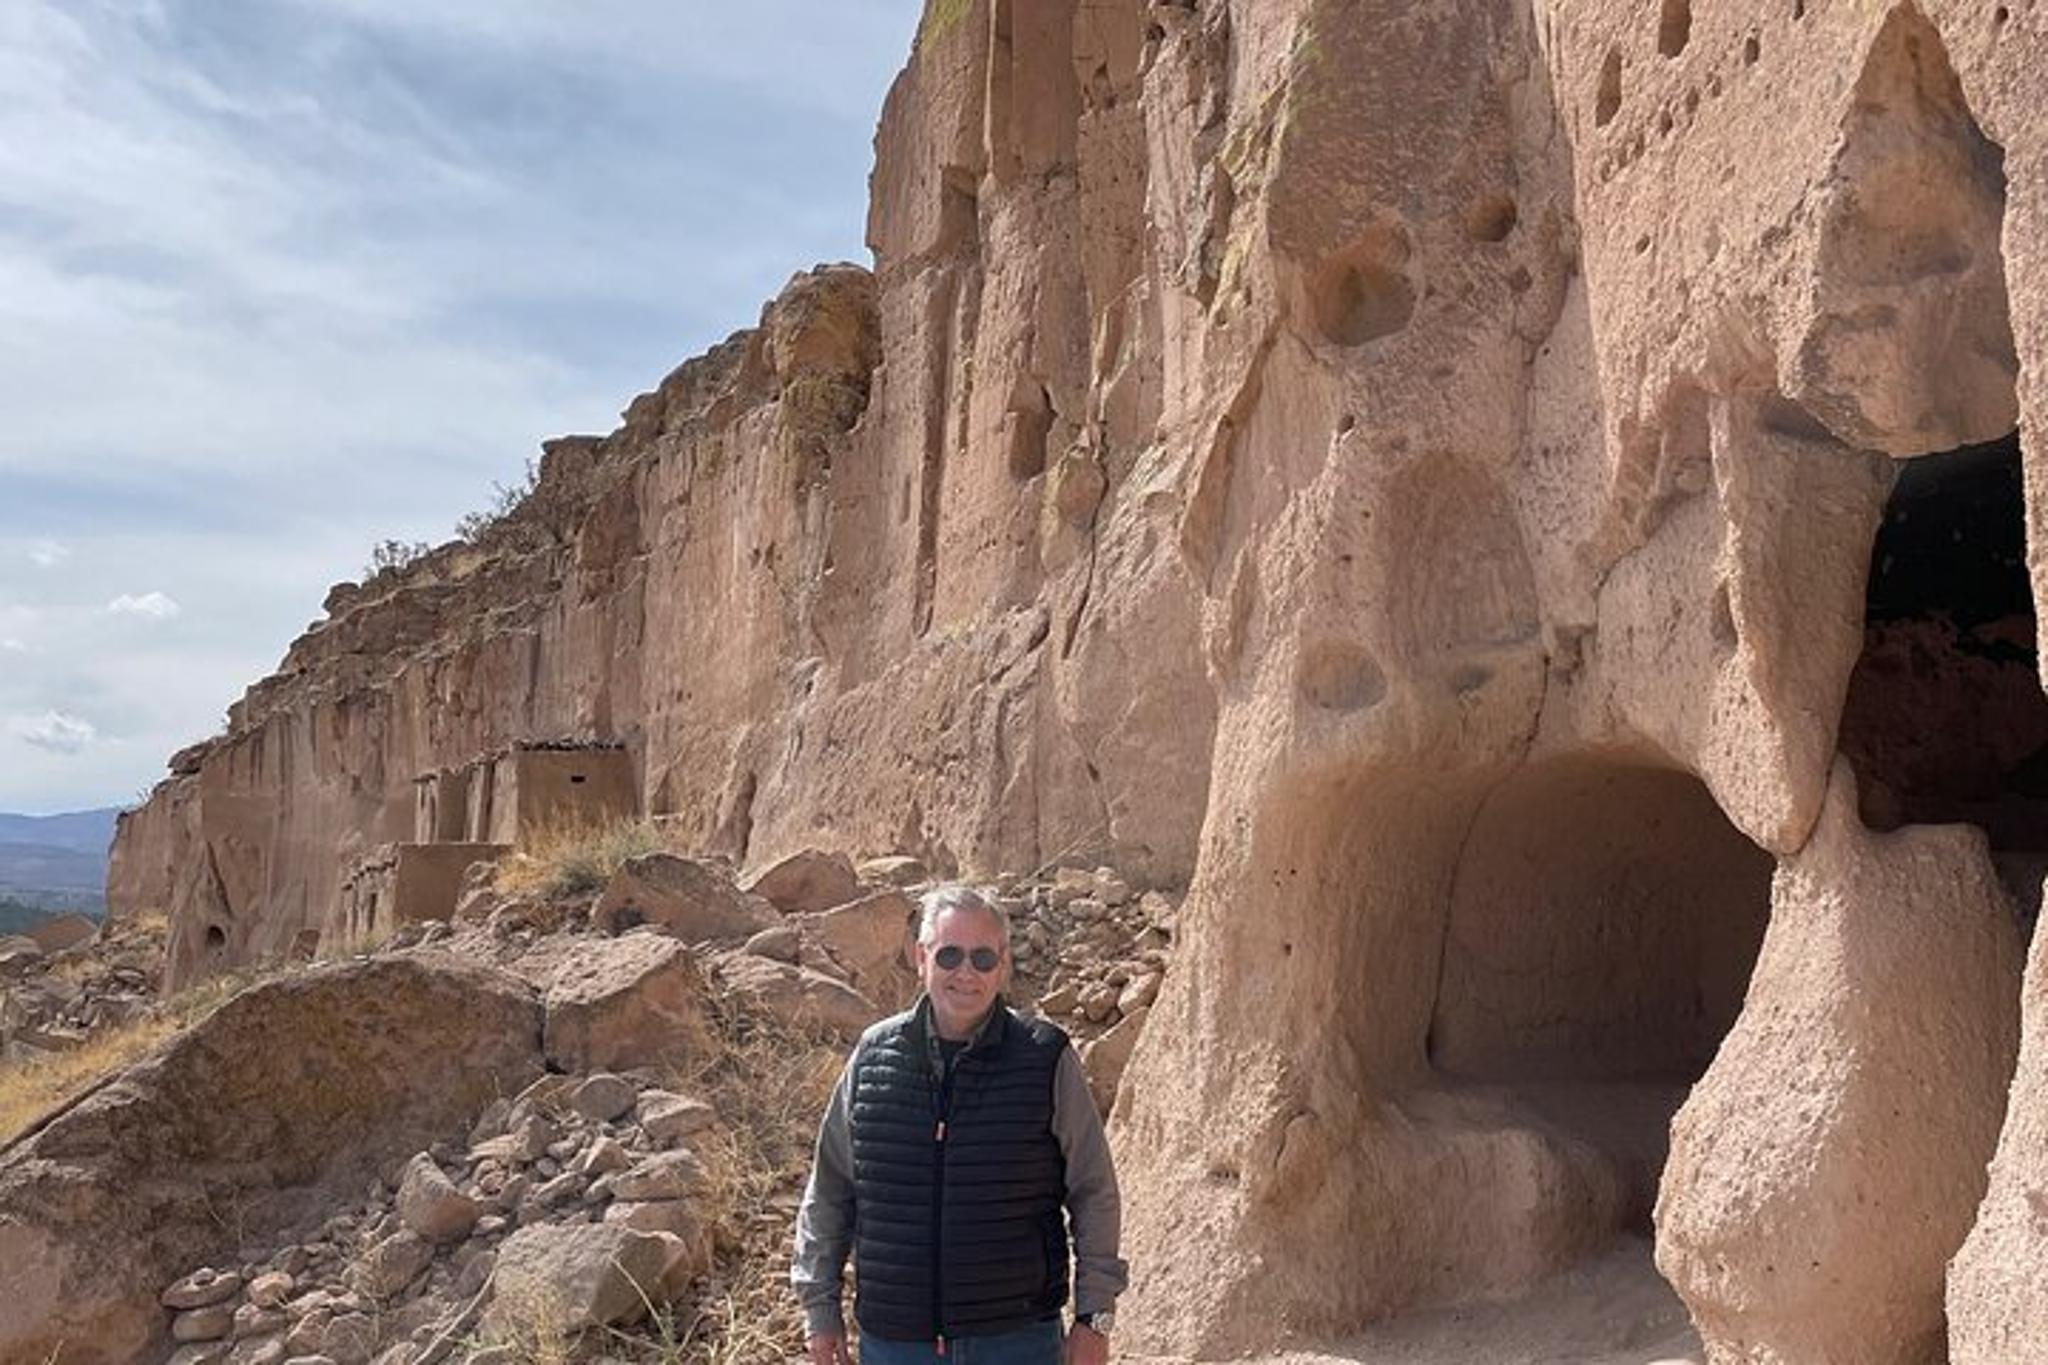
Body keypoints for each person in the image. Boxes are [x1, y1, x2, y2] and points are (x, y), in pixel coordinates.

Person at [792, 884, 1127, 1364]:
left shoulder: (1045, 1057)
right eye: (949, 955)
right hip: (895, 1345)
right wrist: (819, 1314)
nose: (966, 973)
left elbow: (1094, 1192)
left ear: (1004, 963)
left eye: (982, 958)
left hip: (1017, 1342)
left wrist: (1095, 1317)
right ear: (920, 957)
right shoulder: (871, 1057)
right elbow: (829, 1193)